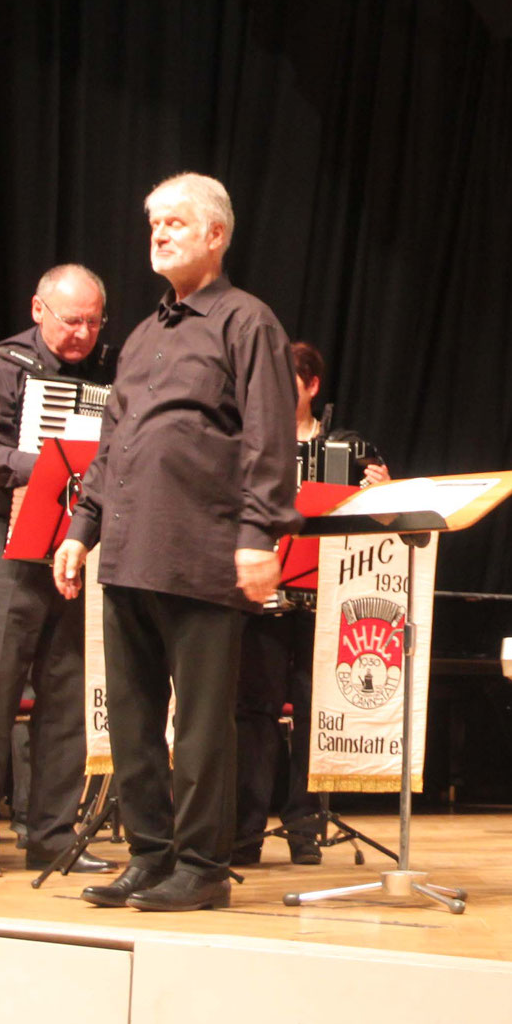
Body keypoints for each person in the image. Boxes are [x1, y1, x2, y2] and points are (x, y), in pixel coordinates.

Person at [57, 173, 302, 913]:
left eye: (176, 222)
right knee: (130, 720)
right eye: (154, 222)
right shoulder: (140, 335)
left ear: (216, 235)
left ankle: (201, 864)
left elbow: (269, 437)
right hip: (128, 549)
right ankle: (149, 853)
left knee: (198, 725)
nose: (160, 233)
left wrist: (259, 534)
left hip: (201, 549)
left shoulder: (246, 321)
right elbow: (113, 443)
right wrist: (80, 528)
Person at [0, 264, 115, 879]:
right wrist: (56, 467)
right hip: (5, 543)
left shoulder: (105, 373)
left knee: (66, 697)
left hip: (71, 548)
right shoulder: (3, 366)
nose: (84, 335)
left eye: (95, 322)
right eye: (73, 321)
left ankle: (51, 833)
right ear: (39, 310)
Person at [234, 341, 390, 866]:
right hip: (263, 601)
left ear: (312, 386)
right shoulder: (249, 442)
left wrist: (384, 493)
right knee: (254, 713)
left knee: (312, 713)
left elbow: (381, 530)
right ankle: (244, 830)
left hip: (326, 605)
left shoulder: (350, 446)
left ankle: (304, 826)